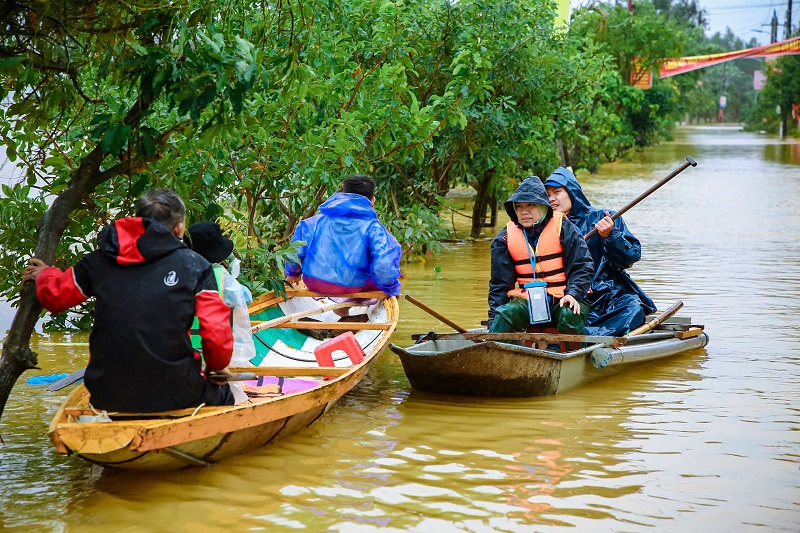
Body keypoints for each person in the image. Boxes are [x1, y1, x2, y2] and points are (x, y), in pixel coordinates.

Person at [22, 189, 235, 412]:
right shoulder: (195, 265)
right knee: (223, 392)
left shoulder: (99, 261)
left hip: (107, 394)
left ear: (137, 220)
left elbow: (55, 297)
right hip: (177, 392)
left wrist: (46, 274)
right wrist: (216, 367)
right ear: (179, 227)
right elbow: (216, 335)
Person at [544, 167, 656, 336]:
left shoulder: (604, 217)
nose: (552, 199)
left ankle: (593, 338)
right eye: (548, 194)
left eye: (557, 192)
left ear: (572, 192)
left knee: (632, 307)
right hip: (567, 293)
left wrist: (611, 236)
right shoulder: (542, 225)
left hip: (608, 293)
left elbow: (630, 258)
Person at [488, 176, 594, 334]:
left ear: (543, 206)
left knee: (568, 314)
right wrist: (492, 322)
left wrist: (573, 294)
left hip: (566, 297)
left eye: (531, 205)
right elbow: (499, 285)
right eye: (519, 206)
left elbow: (583, 267)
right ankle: (494, 350)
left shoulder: (564, 227)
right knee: (506, 313)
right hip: (528, 301)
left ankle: (573, 355)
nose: (524, 212)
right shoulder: (504, 238)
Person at [284, 174, 402, 303]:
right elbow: (383, 265)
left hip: (314, 282)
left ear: (342, 196)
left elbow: (296, 251)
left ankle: (343, 307)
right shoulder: (374, 228)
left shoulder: (312, 223)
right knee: (378, 281)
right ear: (372, 201)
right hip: (353, 286)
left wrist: (292, 273)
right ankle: (346, 306)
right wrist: (392, 288)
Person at [183, 221, 255, 367]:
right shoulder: (219, 276)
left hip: (184, 355)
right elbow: (246, 297)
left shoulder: (177, 272)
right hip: (214, 356)